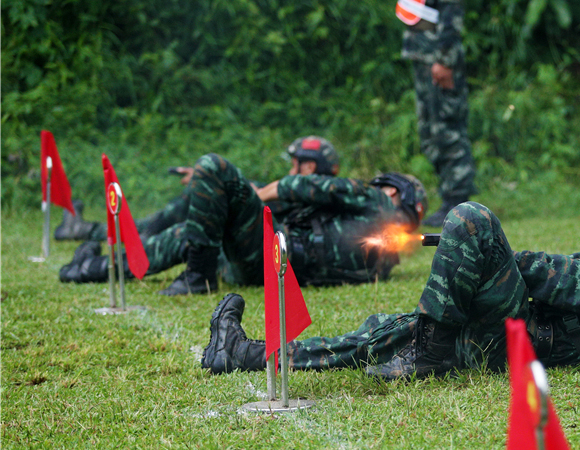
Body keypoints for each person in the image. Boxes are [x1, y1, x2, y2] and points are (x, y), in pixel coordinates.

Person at [201, 181, 580, 379]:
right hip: (521, 331)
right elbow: (578, 268)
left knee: (469, 218)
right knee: (382, 333)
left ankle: (432, 350)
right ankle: (244, 355)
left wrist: (491, 254)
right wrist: (491, 260)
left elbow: (573, 283)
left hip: (528, 341)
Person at [59, 153, 427, 296]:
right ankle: (92, 265)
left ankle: (193, 277)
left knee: (212, 167)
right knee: (197, 232)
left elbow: (300, 185)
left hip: (270, 253)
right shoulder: (384, 259)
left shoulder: (378, 204)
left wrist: (257, 193)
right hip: (273, 268)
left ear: (392, 191)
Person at [54, 136, 340, 242]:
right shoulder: (297, 190)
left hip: (244, 242)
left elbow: (264, 193)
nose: (290, 171)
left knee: (169, 224)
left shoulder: (310, 192)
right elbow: (259, 188)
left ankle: (93, 232)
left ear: (309, 168)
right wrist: (207, 179)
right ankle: (97, 230)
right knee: (178, 211)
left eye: (295, 165)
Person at [396, 0, 477, 227]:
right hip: (424, 56)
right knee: (430, 132)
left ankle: (457, 203)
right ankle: (448, 200)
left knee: (447, 128)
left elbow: (452, 14)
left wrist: (445, 58)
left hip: (438, 59)